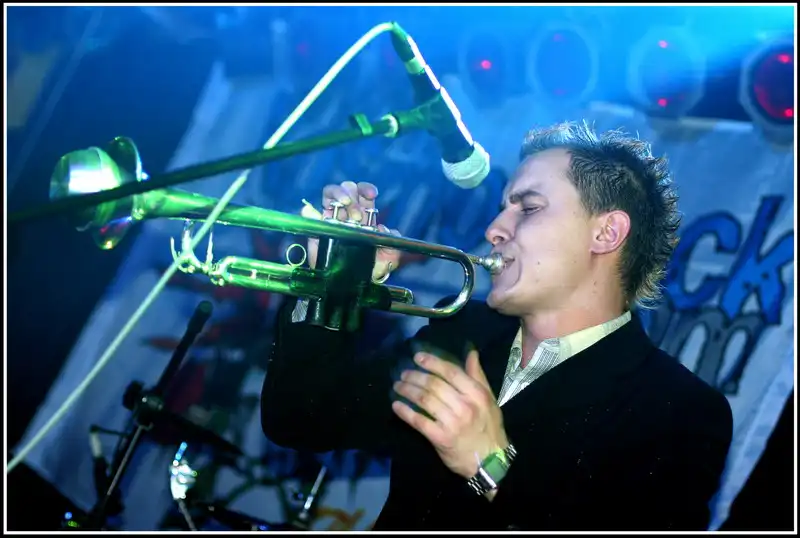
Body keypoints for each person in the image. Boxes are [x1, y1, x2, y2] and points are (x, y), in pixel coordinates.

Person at [261, 121, 733, 531]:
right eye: (505, 207)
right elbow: (301, 417)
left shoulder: (680, 411)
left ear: (606, 233)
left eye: (528, 208)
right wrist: (334, 280)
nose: (494, 229)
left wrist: (491, 468)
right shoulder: (461, 330)